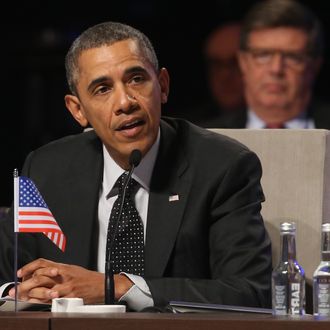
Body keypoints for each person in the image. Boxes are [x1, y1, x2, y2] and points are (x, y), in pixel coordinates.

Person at [0, 21, 271, 311]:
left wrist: (117, 286)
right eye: (102, 89)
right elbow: (8, 271)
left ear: (163, 86)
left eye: (136, 79)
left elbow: (250, 291)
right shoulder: (45, 169)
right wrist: (20, 291)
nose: (125, 102)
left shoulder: (221, 168)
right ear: (78, 110)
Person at [214, 0, 330, 129]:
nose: (276, 69)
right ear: (243, 62)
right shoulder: (205, 140)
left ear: (315, 65)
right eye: (263, 55)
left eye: (292, 57)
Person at [185, 21, 246, 127]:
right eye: (216, 64)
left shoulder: (275, 123)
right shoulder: (188, 129)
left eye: (234, 63)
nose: (225, 75)